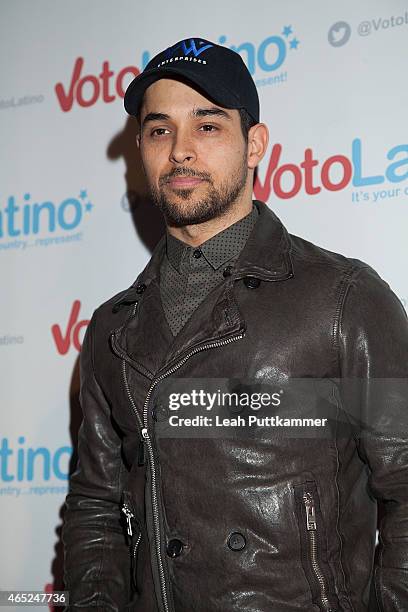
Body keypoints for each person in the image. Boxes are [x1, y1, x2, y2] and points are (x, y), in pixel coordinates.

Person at [62, 37, 408, 611]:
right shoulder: (111, 329)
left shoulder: (343, 298)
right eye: (158, 130)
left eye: (207, 126)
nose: (179, 152)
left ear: (255, 145)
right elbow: (95, 506)